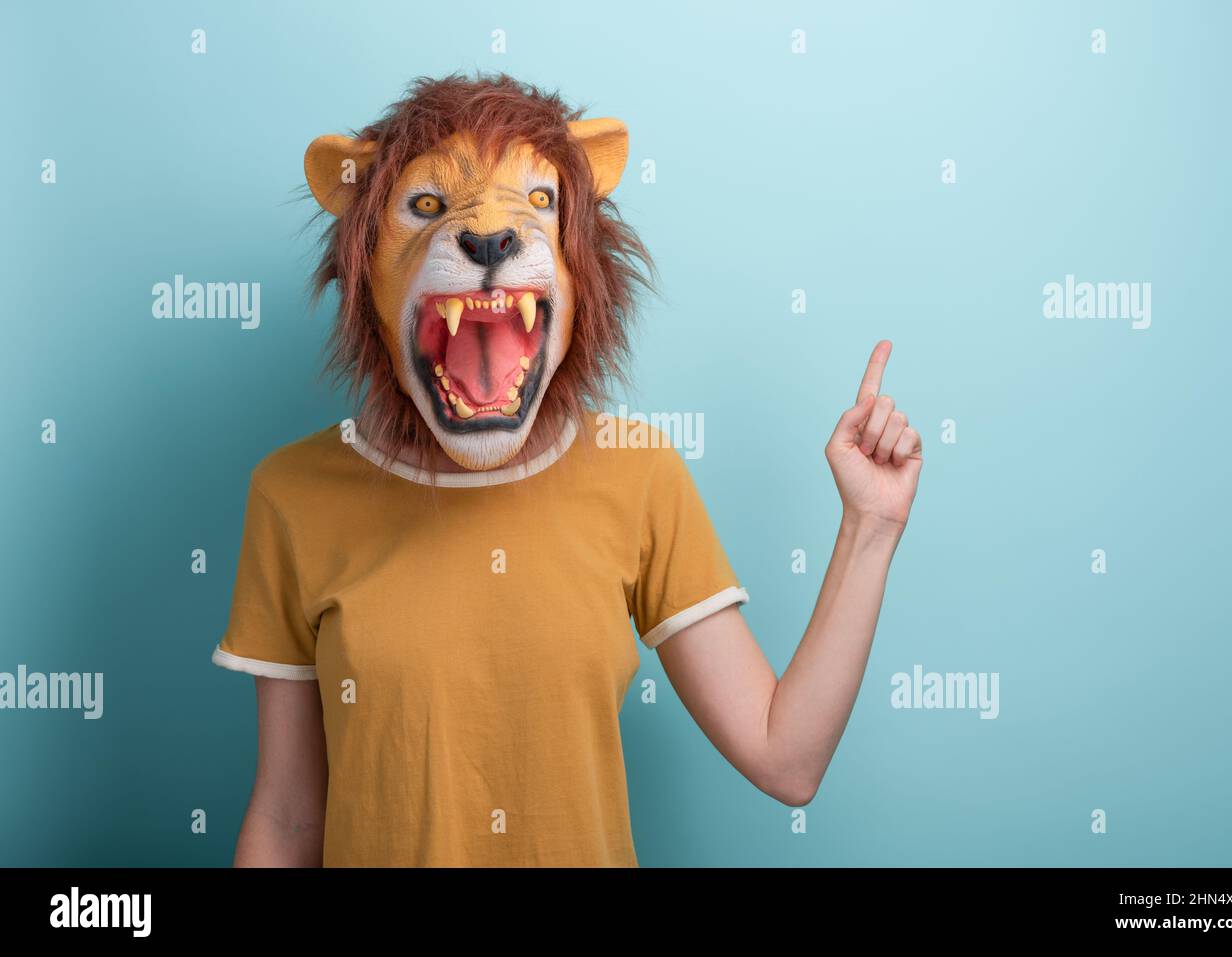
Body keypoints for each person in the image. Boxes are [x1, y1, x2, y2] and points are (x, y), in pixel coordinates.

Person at [212, 74, 922, 867]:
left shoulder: (637, 474)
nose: (487, 233)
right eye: (426, 206)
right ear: (366, 271)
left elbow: (786, 760)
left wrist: (871, 526)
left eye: (538, 201)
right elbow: (285, 819)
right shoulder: (293, 493)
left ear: (584, 277)